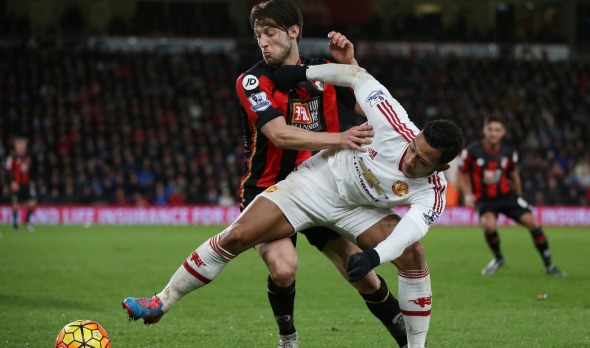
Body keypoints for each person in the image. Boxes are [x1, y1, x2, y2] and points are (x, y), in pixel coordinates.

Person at [123, 63, 465, 347]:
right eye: (414, 149)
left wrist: (375, 256)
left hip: (361, 210)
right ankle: (161, 301)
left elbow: (410, 230)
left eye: (422, 161)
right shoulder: (394, 122)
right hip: (318, 183)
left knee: (413, 255)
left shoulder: (433, 190)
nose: (410, 160)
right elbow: (359, 78)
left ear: (442, 166)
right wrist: (307, 70)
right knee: (237, 237)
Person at [239, 1, 406, 347]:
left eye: (270, 33)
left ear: (293, 32)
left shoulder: (323, 70)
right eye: (258, 36)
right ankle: (288, 337)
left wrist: (351, 66)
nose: (263, 42)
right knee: (284, 268)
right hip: (267, 189)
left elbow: (367, 107)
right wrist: (340, 138)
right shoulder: (253, 80)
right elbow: (280, 136)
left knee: (363, 275)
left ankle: (408, 342)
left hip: (322, 188)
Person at [456, 115, 566, 276]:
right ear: (484, 131)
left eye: (497, 130)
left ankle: (549, 265)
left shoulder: (509, 152)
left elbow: (513, 174)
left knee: (533, 223)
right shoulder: (472, 151)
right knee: (489, 226)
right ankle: (499, 258)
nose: (493, 133)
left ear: (503, 132)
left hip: (506, 196)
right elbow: (461, 171)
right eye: (491, 129)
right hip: (484, 199)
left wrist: (519, 195)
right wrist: (467, 194)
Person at [5, 137, 37, 232]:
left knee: (32, 203)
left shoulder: (28, 158)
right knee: (16, 205)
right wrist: (12, 182)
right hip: (17, 185)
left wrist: (31, 180)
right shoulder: (12, 158)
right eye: (19, 145)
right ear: (16, 147)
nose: (22, 147)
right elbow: (8, 172)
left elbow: (31, 171)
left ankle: (27, 222)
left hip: (26, 184)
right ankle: (15, 224)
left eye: (23, 145)